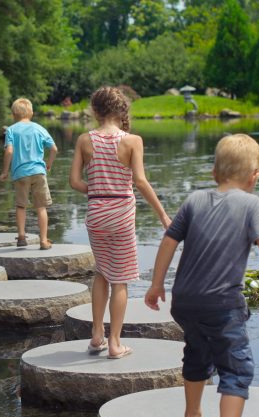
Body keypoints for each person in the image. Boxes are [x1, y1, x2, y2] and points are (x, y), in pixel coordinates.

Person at [144, 133, 259, 417]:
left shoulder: (193, 200)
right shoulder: (252, 205)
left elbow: (168, 242)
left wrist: (156, 284)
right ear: (254, 176)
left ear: (214, 172)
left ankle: (192, 416)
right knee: (237, 368)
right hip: (222, 304)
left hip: (185, 301)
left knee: (197, 352)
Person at [70, 86, 171, 359]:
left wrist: (97, 190)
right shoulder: (132, 141)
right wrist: (162, 214)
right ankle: (115, 343)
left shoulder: (84, 140)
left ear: (95, 111)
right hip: (122, 213)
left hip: (96, 212)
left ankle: (95, 335)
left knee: (102, 272)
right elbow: (139, 181)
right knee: (121, 280)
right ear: (121, 110)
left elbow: (74, 182)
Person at [0, 98, 58, 250]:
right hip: (39, 172)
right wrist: (49, 163)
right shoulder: (39, 128)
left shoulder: (11, 130)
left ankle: (21, 237)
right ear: (31, 113)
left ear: (13, 115)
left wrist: (5, 171)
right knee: (41, 207)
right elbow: (54, 149)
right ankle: (44, 241)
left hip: (20, 173)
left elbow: (9, 151)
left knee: (20, 206)